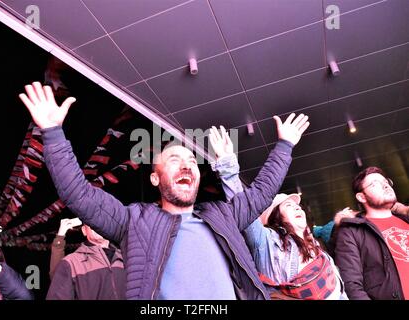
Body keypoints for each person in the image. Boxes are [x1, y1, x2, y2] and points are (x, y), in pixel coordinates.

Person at [18, 81, 309, 300]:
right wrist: (53, 133)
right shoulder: (134, 222)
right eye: (174, 160)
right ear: (155, 179)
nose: (186, 166)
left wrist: (284, 146)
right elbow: (79, 194)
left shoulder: (223, 214)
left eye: (192, 161)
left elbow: (260, 193)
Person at [209, 128, 347, 300]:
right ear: (276, 217)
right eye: (288, 205)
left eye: (299, 206)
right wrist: (227, 163)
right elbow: (244, 206)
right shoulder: (265, 243)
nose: (298, 208)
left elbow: (340, 291)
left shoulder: (318, 248)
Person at [334, 167, 409, 300]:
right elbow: (352, 286)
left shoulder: (406, 219)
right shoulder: (351, 231)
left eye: (386, 182)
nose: (385, 185)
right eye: (375, 184)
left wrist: (401, 208)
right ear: (361, 197)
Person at [47, 224, 125, 300]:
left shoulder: (126, 258)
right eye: (92, 224)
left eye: (102, 223)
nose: (98, 226)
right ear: (84, 230)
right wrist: (60, 236)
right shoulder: (72, 262)